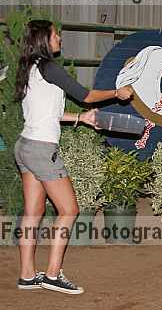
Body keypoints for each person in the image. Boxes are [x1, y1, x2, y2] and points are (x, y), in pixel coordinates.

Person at [13, 20, 133, 294]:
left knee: (33, 212)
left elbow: (47, 114)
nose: (60, 39)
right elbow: (86, 95)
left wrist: (81, 118)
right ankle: (53, 274)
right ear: (44, 39)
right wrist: (117, 92)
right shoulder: (50, 67)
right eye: (56, 35)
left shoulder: (30, 68)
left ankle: (27, 275)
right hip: (42, 150)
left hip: (25, 146)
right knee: (69, 210)